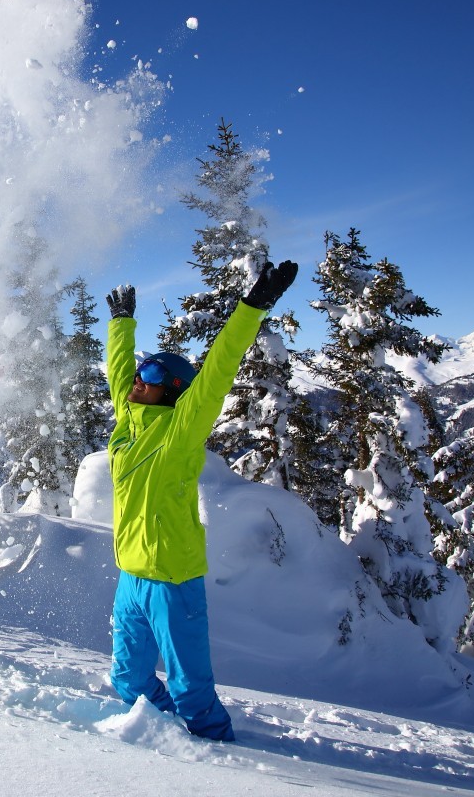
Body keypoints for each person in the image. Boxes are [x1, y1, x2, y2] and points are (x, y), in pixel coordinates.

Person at [103, 260, 297, 740]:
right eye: (140, 372)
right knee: (128, 679)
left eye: (150, 374)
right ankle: (164, 732)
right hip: (131, 575)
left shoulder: (181, 431)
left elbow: (217, 371)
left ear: (172, 391)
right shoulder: (129, 423)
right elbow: (119, 374)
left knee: (191, 688)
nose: (136, 380)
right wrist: (122, 323)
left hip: (174, 578)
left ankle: (219, 758)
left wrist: (253, 307)